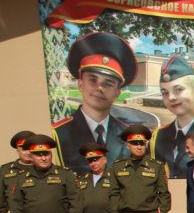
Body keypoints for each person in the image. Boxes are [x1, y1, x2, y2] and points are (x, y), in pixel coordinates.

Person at [52, 31, 156, 175]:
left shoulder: (128, 135)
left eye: (108, 83)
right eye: (92, 80)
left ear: (117, 92)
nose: (99, 88)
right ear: (80, 83)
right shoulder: (58, 134)